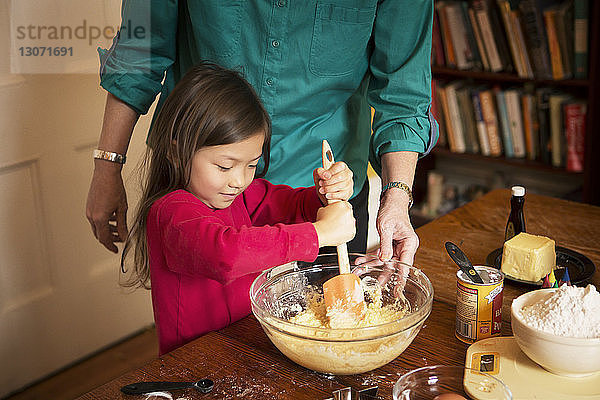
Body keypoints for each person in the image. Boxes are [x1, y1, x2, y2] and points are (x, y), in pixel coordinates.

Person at [87, 1, 438, 267]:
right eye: (229, 167)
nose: (241, 181)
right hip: (198, 188)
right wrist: (107, 166)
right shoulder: (178, 214)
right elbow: (140, 49)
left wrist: (395, 198)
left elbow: (403, 94)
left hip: (319, 192)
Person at [123, 63, 356, 354]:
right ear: (175, 152)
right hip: (194, 363)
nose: (239, 181)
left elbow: (290, 204)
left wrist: (323, 196)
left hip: (242, 346)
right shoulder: (170, 213)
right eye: (224, 166)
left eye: (251, 165)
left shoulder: (241, 195)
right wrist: (319, 234)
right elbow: (226, 254)